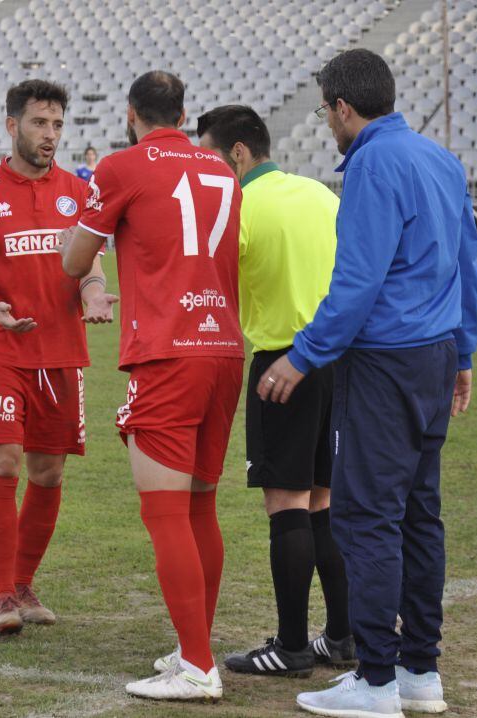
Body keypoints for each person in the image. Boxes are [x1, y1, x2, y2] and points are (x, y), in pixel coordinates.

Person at [257, 49, 477, 717]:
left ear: (343, 107)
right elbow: (466, 261)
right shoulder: (440, 159)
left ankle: (377, 679)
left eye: (326, 111)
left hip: (385, 361)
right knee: (418, 514)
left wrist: (302, 356)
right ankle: (419, 671)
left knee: (366, 518)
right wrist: (464, 351)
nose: (327, 123)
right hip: (435, 354)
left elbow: (358, 280)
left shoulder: (373, 164)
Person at [58, 70, 244, 702]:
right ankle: (196, 649)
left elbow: (75, 260)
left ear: (130, 113)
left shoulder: (121, 167)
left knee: (164, 511)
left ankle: (197, 666)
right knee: (199, 506)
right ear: (185, 115)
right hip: (223, 347)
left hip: (168, 350)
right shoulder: (221, 169)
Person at [0, 79, 118, 636]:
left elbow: (90, 265)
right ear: (12, 125)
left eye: (57, 125)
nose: (50, 135)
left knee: (48, 471)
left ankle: (23, 584)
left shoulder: (79, 191)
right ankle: (1, 596)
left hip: (61, 352)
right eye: (39, 123)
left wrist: (95, 294)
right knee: (3, 462)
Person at [196, 105, 353, 678]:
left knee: (286, 505)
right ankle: (343, 636)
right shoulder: (319, 194)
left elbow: (213, 286)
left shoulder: (239, 206)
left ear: (238, 153)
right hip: (339, 361)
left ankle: (290, 646)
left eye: (210, 157)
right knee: (323, 502)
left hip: (283, 363)